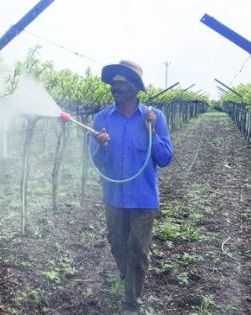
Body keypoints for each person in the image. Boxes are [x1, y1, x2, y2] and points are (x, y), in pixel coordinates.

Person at [90, 60, 173, 315]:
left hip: (143, 199)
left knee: (137, 250)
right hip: (114, 196)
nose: (115, 88)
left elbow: (165, 157)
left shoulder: (154, 117)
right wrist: (101, 146)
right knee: (117, 244)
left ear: (135, 88)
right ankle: (130, 279)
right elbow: (96, 161)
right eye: (113, 84)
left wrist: (152, 131)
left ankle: (131, 302)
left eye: (121, 84)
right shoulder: (102, 118)